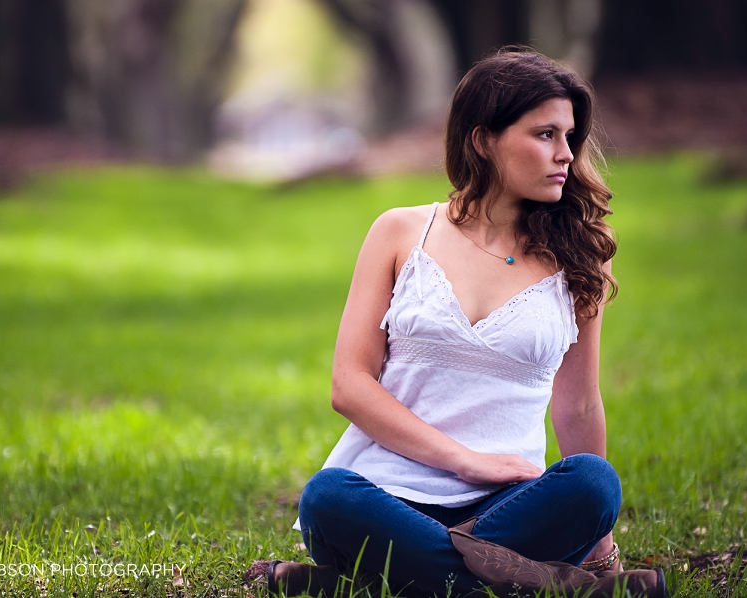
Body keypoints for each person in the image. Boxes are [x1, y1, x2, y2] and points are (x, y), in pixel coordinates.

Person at [246, 48, 666, 597]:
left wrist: (600, 540)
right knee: (328, 495)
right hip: (386, 498)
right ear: (482, 140)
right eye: (544, 135)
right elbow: (350, 386)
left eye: (569, 137)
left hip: (511, 509)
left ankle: (361, 585)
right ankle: (552, 587)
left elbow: (579, 402)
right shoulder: (400, 233)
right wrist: (467, 462)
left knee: (593, 483)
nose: (565, 154)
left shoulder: (581, 253)